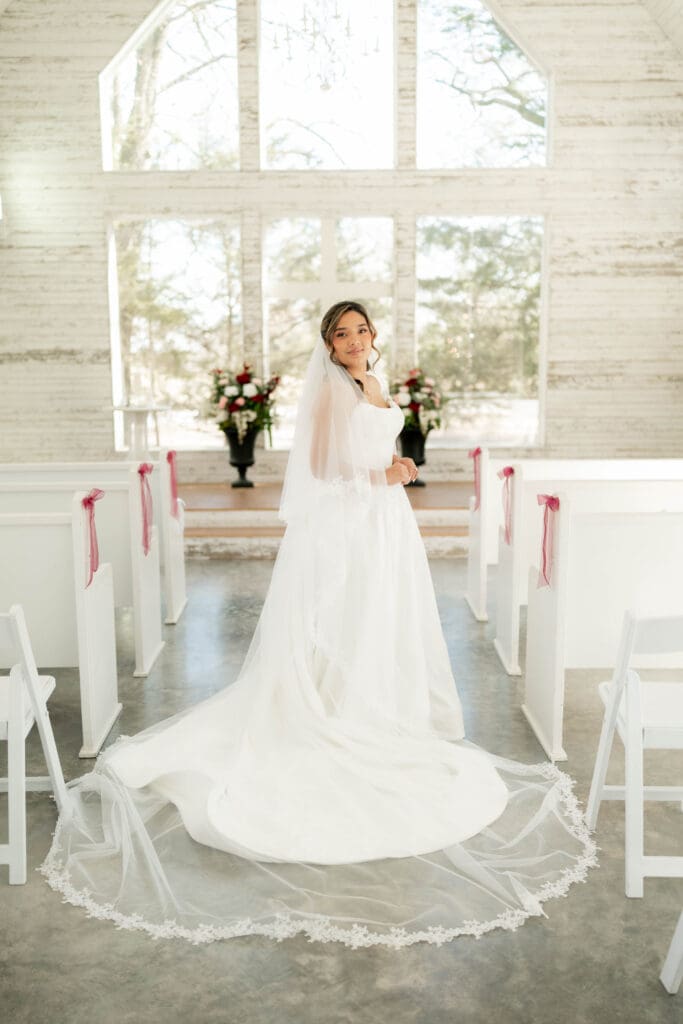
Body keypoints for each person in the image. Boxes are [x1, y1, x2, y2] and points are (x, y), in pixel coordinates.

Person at [42, 301, 596, 949]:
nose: (355, 339)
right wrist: (386, 472)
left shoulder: (369, 381)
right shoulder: (332, 391)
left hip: (382, 517)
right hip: (348, 521)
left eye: (362, 329)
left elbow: (372, 446)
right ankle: (331, 710)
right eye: (342, 332)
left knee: (375, 619)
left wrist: (395, 468)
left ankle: (364, 703)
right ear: (328, 345)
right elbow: (329, 468)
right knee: (343, 617)